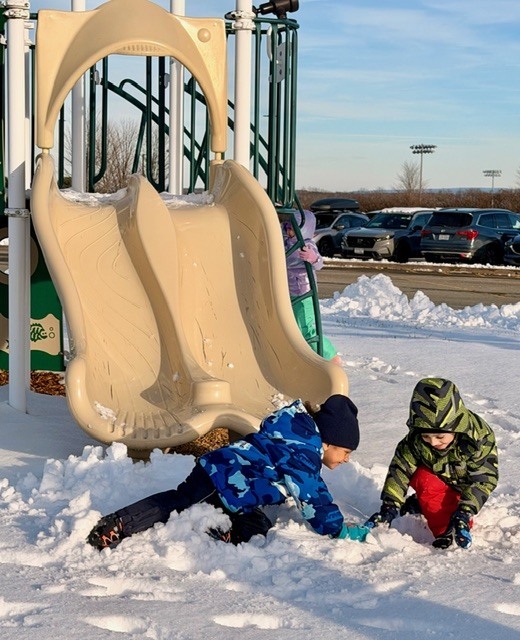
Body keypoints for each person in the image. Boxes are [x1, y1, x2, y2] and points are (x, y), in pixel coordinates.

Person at [88, 395, 370, 550]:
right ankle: (119, 523)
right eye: (346, 452)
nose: (346, 460)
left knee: (258, 528)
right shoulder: (302, 453)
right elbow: (313, 499)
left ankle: (216, 529)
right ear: (329, 441)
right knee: (179, 501)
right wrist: (338, 530)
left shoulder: (299, 441)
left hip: (236, 490)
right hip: (221, 477)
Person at [366, 377, 498, 549]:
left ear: (455, 426)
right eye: (426, 436)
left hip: (465, 488)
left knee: (452, 517)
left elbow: (484, 479)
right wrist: (389, 507)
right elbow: (400, 470)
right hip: (436, 480)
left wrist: (465, 512)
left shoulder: (478, 438)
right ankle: (436, 518)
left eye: (440, 437)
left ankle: (449, 519)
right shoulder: (414, 441)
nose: (433, 442)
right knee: (423, 478)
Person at [282, 211, 341, 364]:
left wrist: (313, 258)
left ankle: (331, 356)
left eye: (292, 228)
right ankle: (307, 355)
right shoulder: (287, 242)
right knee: (296, 327)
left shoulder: (307, 244)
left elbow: (320, 263)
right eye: (287, 227)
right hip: (291, 291)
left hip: (304, 291)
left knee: (307, 328)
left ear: (304, 229)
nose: (288, 231)